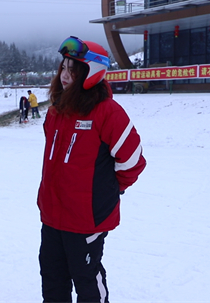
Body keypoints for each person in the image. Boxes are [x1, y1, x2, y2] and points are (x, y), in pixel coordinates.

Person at [37, 36, 146, 303]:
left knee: (87, 282)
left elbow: (132, 161)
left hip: (86, 221)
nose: (64, 74)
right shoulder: (56, 112)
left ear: (91, 72)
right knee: (52, 282)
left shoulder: (107, 112)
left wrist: (108, 190)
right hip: (52, 217)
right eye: (63, 67)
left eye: (73, 68)